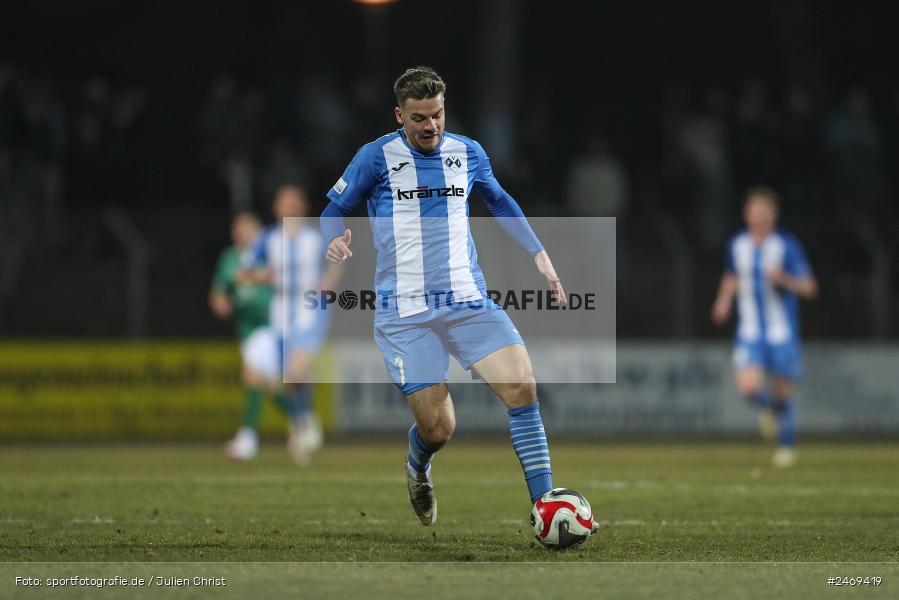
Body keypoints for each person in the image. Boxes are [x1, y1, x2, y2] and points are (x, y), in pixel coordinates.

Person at [321, 66, 587, 527]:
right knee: (439, 428)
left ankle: (545, 505)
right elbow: (334, 208)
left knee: (522, 386)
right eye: (420, 118)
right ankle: (418, 464)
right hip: (405, 313)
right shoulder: (375, 157)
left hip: (468, 301)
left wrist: (539, 253)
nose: (431, 126)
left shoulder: (468, 152)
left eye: (437, 115)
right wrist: (333, 238)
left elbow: (500, 200)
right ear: (399, 115)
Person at [712, 186, 817, 467]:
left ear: (774, 215)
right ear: (746, 214)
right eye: (755, 211)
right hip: (750, 332)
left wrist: (784, 279)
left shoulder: (786, 246)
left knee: (782, 391)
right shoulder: (737, 245)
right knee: (748, 387)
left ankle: (786, 448)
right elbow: (731, 275)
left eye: (764, 211)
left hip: (781, 332)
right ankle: (769, 409)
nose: (759, 216)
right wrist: (723, 301)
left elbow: (810, 288)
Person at [243, 184, 341, 464]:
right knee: (289, 378)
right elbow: (245, 270)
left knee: (295, 370)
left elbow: (337, 261)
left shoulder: (315, 238)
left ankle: (304, 421)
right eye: (286, 202)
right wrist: (261, 276)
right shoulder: (267, 239)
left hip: (310, 312)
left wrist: (329, 281)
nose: (291, 206)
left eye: (295, 202)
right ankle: (301, 422)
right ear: (276, 207)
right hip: (280, 316)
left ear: (303, 207)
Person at [210, 212, 296, 460]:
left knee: (251, 375)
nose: (243, 232)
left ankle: (247, 440)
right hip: (246, 329)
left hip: (270, 325)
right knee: (269, 384)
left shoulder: (269, 254)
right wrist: (220, 302)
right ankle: (301, 421)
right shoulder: (229, 258)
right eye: (239, 228)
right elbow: (218, 291)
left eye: (248, 228)